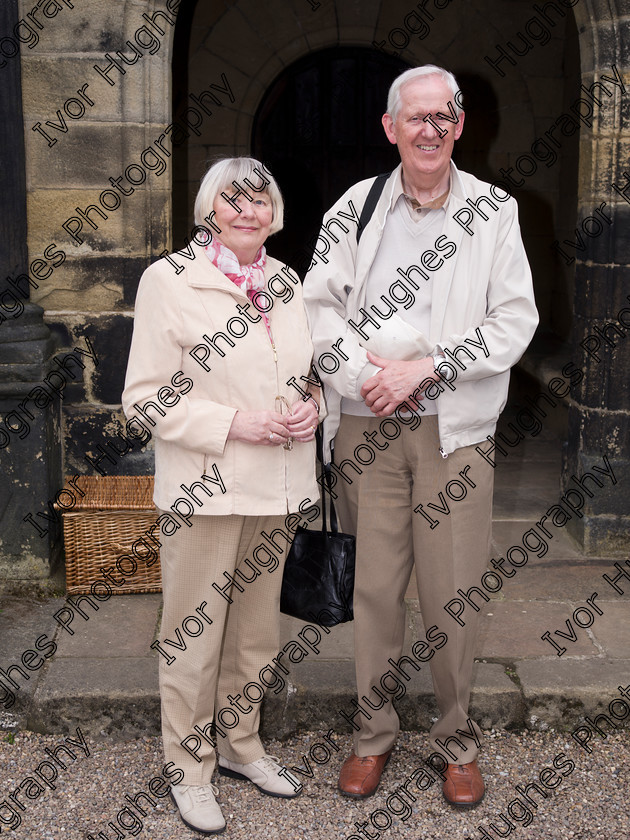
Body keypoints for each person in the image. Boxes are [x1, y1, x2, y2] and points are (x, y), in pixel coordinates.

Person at [303, 65, 538, 807]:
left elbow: (513, 322)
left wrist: (428, 370)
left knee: (454, 596)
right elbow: (317, 308)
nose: (430, 129)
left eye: (444, 116)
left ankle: (458, 744)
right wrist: (357, 377)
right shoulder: (355, 206)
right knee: (373, 591)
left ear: (460, 126)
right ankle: (372, 736)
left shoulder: (494, 210)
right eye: (416, 117)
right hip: (367, 426)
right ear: (391, 127)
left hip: (452, 430)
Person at [122, 157, 320, 835]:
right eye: (233, 199)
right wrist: (235, 423)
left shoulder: (289, 282)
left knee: (257, 637)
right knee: (193, 637)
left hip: (278, 487)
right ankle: (189, 768)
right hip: (205, 491)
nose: (247, 210)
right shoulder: (168, 280)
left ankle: (241, 748)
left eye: (259, 200)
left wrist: (313, 406)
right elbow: (143, 399)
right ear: (210, 207)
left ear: (275, 212)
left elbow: (305, 371)